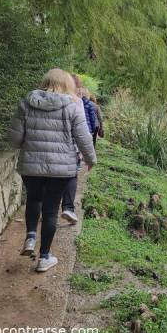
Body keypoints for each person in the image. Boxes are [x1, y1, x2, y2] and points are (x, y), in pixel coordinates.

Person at [9, 68, 96, 272]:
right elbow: (83, 137)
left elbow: (14, 139)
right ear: (67, 85)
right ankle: (44, 257)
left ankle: (30, 237)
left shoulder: (25, 104)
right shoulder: (72, 106)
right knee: (50, 210)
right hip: (60, 169)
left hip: (31, 167)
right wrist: (91, 159)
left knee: (34, 199)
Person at [60, 80, 97, 225]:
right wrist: (90, 158)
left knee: (49, 181)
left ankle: (47, 211)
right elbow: (83, 131)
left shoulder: (35, 101)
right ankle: (68, 207)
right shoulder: (77, 102)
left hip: (45, 152)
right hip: (72, 146)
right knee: (71, 175)